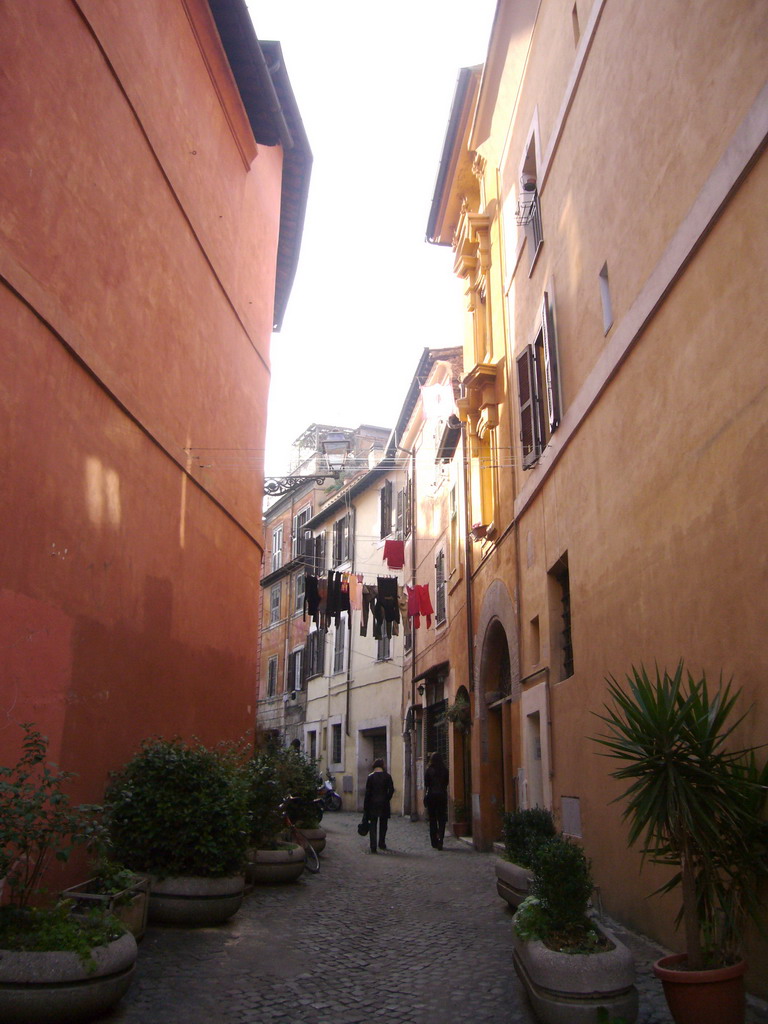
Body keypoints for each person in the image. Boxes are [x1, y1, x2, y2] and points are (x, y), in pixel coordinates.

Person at [363, 757, 394, 853]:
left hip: (372, 803)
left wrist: (366, 805)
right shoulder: (387, 776)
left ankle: (373, 846)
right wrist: (387, 798)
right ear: (382, 766)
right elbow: (391, 790)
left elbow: (367, 793)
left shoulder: (370, 777)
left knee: (373, 824)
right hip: (384, 803)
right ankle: (382, 843)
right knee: (383, 824)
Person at [424, 751, 449, 850]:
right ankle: (441, 840)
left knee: (432, 819)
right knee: (441, 819)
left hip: (431, 796)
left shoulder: (429, 770)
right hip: (442, 796)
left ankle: (434, 841)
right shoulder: (445, 770)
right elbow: (446, 783)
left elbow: (426, 784)